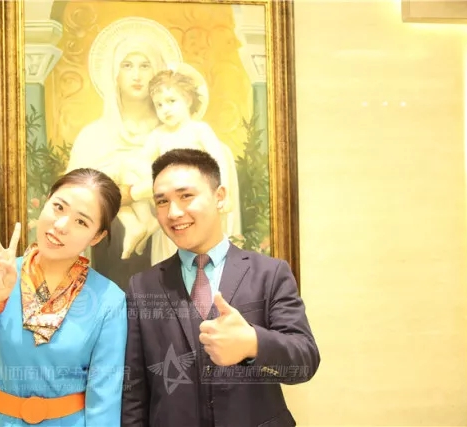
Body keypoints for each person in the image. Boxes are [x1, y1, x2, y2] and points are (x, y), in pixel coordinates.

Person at [122, 149, 320, 427]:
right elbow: (134, 390)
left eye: (186, 196)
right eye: (162, 201)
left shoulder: (270, 273)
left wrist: (252, 343)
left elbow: (304, 361)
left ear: (220, 196)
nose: (174, 212)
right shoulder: (142, 287)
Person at [0, 168, 127, 426]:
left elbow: (104, 401)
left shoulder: (109, 300)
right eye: (58, 207)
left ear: (97, 236)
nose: (61, 225)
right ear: (46, 201)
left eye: (81, 222)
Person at [64, 17, 182, 285]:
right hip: (109, 260)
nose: (137, 75)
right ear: (114, 74)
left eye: (145, 65)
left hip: (168, 249)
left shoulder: (173, 133)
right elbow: (74, 198)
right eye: (127, 65)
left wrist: (131, 193)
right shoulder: (92, 136)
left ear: (157, 72)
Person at [119, 68, 242, 263]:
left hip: (193, 200)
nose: (165, 109)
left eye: (171, 101)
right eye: (159, 105)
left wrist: (224, 192)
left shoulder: (199, 130)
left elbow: (219, 160)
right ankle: (143, 222)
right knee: (127, 168)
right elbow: (140, 162)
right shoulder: (158, 135)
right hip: (169, 204)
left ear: (188, 100)